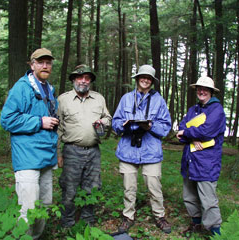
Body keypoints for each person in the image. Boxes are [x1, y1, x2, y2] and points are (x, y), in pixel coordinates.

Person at [0, 48, 59, 239]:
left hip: (46, 157)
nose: (45, 66)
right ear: (32, 65)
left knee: (44, 205)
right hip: (27, 159)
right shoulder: (22, 88)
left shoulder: (49, 89)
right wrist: (39, 121)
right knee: (29, 208)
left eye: (48, 62)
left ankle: (37, 237)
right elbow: (7, 120)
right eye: (40, 62)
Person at [112, 65, 172, 234]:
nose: (145, 80)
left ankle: (159, 216)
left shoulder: (159, 100)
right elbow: (115, 123)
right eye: (142, 77)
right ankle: (128, 216)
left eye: (149, 78)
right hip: (127, 149)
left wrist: (150, 125)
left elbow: (166, 127)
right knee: (129, 187)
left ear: (152, 81)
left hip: (150, 150)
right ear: (137, 78)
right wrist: (123, 126)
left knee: (154, 185)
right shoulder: (126, 99)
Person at [57, 64, 112, 228]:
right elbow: (58, 128)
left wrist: (104, 122)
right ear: (74, 79)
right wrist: (58, 154)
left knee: (92, 187)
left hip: (94, 151)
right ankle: (67, 223)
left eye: (87, 78)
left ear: (90, 81)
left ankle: (88, 221)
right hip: (71, 150)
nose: (83, 81)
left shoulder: (99, 98)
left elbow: (108, 117)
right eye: (80, 77)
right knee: (69, 189)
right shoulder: (63, 99)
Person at [176, 76, 226, 236]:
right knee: (189, 196)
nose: (201, 91)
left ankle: (215, 233)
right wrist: (191, 135)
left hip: (206, 162)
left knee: (208, 200)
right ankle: (196, 224)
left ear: (211, 92)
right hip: (190, 160)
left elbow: (207, 131)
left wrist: (189, 133)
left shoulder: (217, 110)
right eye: (199, 88)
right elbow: (180, 131)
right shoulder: (193, 110)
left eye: (205, 89)